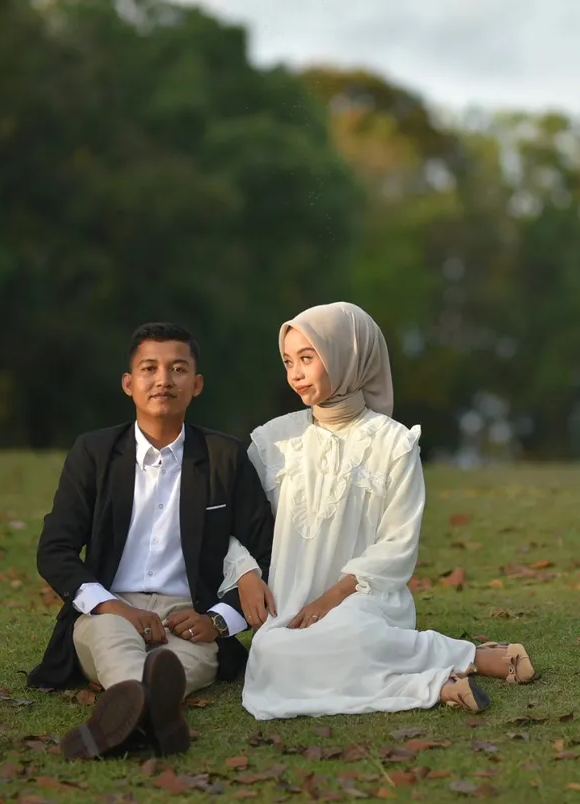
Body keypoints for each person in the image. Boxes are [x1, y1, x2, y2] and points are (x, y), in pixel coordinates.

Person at [218, 302, 537, 720]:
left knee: (352, 638)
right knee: (274, 656)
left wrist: (331, 599)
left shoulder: (394, 443)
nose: (295, 373)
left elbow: (398, 543)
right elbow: (228, 520)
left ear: (346, 356)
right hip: (290, 606)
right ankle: (444, 678)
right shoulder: (271, 441)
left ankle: (459, 664)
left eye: (307, 358)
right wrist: (244, 572)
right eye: (288, 361)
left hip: (365, 598)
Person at [28, 322, 276, 759]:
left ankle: (125, 713)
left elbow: (269, 552)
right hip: (109, 608)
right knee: (112, 639)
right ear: (129, 383)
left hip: (190, 617)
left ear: (196, 384)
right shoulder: (94, 453)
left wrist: (218, 620)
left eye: (178, 369)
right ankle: (150, 708)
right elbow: (55, 550)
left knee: (176, 663)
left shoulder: (225, 458)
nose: (164, 379)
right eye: (149, 368)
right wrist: (114, 606)